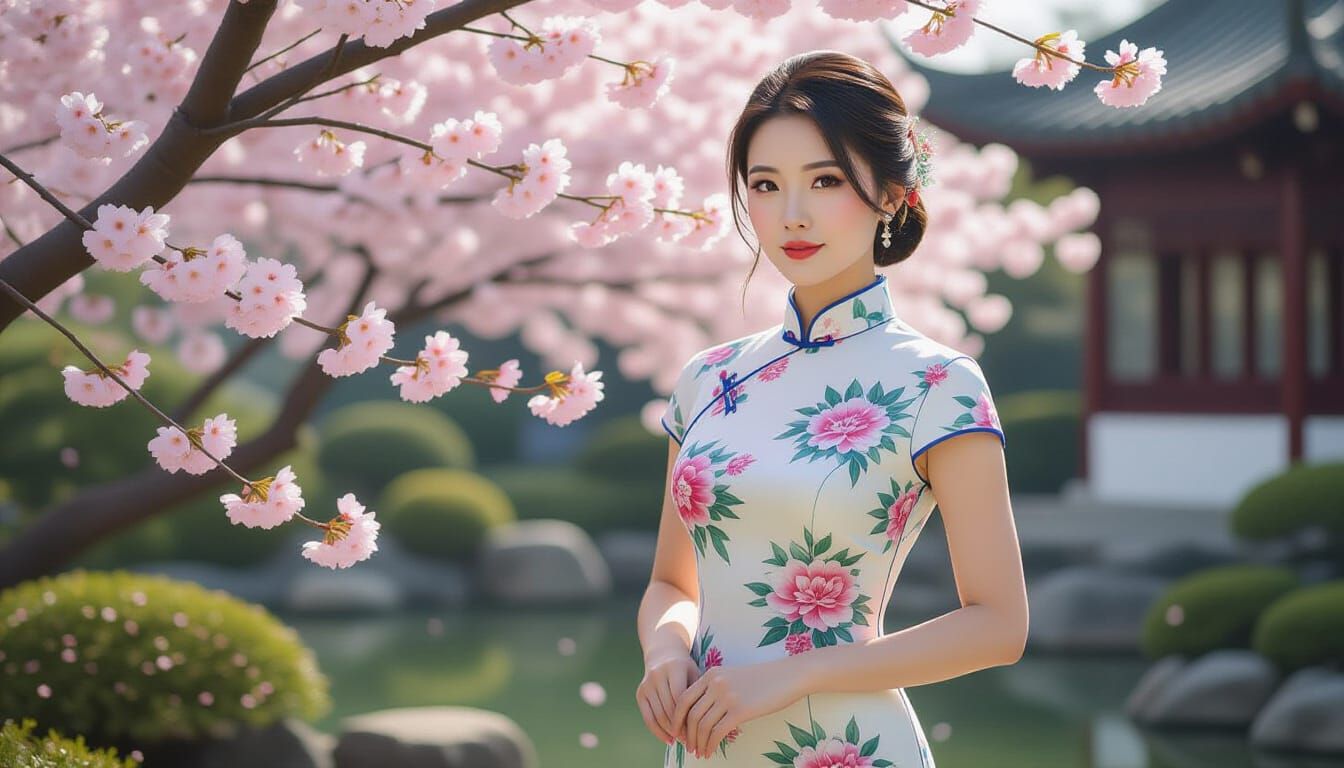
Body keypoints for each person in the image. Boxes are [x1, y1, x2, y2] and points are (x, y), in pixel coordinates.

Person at [635, 50, 1029, 767]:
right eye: (766, 185)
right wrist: (665, 650)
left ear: (891, 194)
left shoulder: (938, 384)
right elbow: (671, 582)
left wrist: (796, 673)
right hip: (704, 746)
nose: (792, 215)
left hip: (850, 745)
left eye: (826, 180)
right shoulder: (708, 380)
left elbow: (999, 626)